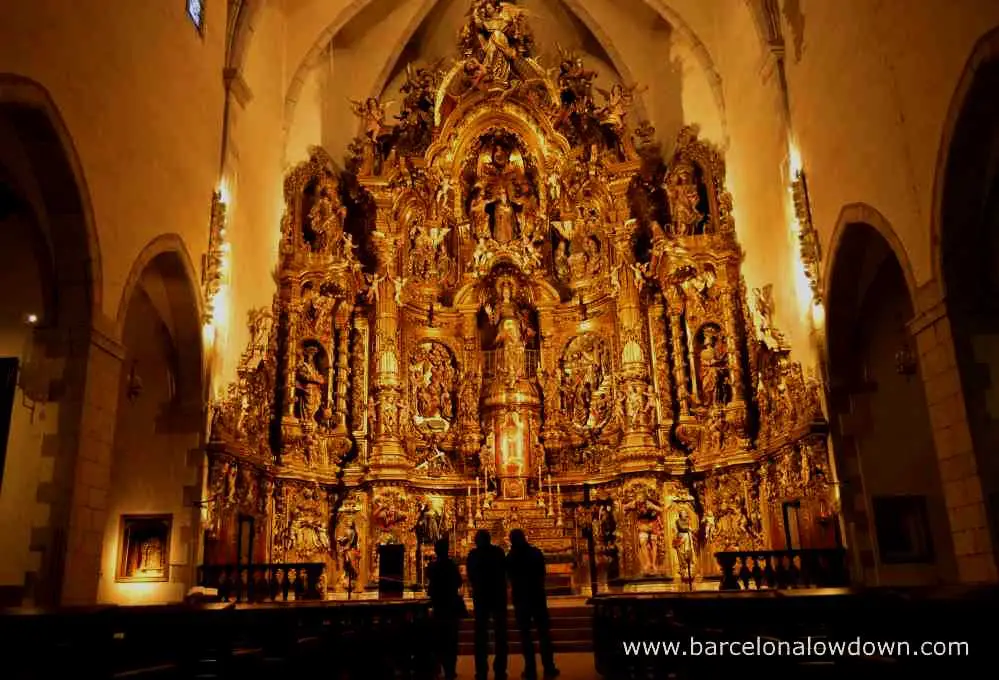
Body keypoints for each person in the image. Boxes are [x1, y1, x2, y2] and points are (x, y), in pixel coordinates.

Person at [506, 529, 559, 680]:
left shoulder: (511, 557)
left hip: (521, 599)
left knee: (526, 635)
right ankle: (549, 667)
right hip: (537, 597)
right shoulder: (535, 553)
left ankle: (530, 668)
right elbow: (542, 573)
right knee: (543, 634)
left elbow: (509, 576)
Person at [466, 529, 509, 680]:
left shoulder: (473, 555)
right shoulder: (498, 553)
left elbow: (471, 576)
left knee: (481, 634)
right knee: (500, 634)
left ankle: (481, 669)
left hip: (482, 597)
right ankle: (500, 669)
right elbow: (505, 572)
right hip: (497, 596)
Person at [426, 538, 464, 680]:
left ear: (436, 550)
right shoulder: (451, 565)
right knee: (451, 639)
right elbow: (459, 582)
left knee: (439, 638)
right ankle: (450, 669)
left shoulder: (433, 566)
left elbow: (429, 578)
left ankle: (439, 667)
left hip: (439, 605)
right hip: (450, 604)